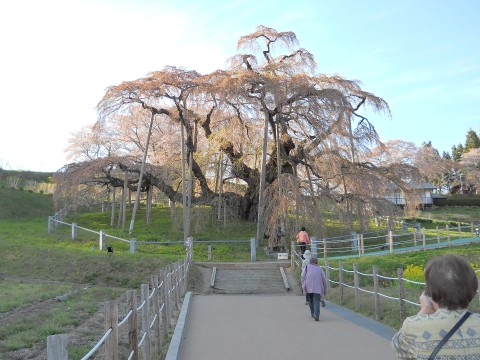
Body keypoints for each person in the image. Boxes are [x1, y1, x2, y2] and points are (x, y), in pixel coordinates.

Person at [392, 254, 480, 359]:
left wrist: (424, 310)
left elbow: (398, 348)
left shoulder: (414, 326)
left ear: (430, 293)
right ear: (473, 289)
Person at [301, 257, 327, 321]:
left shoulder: (306, 268)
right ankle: (316, 315)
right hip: (317, 288)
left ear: (310, 262)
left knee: (310, 301)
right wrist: (324, 288)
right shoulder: (319, 269)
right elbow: (324, 279)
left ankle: (313, 313)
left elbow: (302, 277)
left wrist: (303, 286)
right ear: (316, 262)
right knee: (317, 301)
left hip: (308, 287)